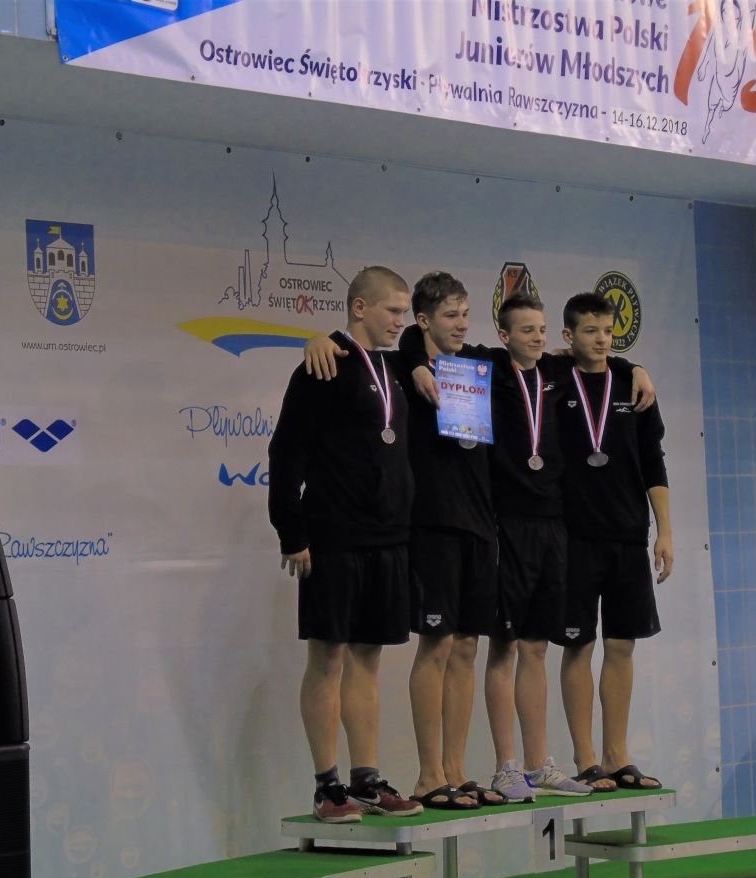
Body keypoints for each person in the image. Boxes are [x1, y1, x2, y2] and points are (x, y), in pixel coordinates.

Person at [402, 292, 656, 800]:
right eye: (526, 330)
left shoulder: (558, 374)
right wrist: (413, 361)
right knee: (504, 646)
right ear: (504, 336)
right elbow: (418, 337)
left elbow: (600, 360)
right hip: (506, 523)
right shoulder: (490, 368)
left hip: (554, 525)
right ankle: (506, 765)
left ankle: (540, 764)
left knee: (537, 647)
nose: (537, 337)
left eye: (541, 329)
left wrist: (636, 367)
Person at [303, 272, 501, 809]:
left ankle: (446, 770)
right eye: (450, 315)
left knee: (458, 647)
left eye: (466, 314)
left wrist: (631, 367)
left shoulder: (469, 365)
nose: (461, 324)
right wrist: (321, 338)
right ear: (421, 319)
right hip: (412, 526)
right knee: (409, 648)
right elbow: (390, 342)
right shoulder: (393, 365)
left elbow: (541, 361)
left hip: (466, 525)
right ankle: (419, 774)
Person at [268, 265, 423, 823]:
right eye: (392, 311)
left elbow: (439, 339)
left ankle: (366, 779)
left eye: (405, 312)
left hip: (389, 538)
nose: (401, 321)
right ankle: (326, 785)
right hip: (333, 536)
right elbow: (286, 453)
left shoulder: (397, 366)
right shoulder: (322, 365)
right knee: (327, 656)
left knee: (368, 660)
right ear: (360, 308)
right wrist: (292, 532)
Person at [555, 292, 672, 791]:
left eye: (608, 331)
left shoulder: (633, 385)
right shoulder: (555, 380)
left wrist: (665, 530)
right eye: (590, 331)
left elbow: (653, 461)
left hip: (627, 534)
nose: (602, 340)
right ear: (569, 336)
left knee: (622, 644)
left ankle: (616, 754)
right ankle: (585, 757)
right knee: (578, 645)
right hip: (573, 536)